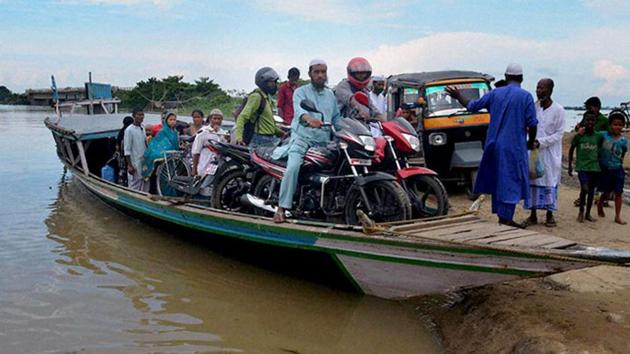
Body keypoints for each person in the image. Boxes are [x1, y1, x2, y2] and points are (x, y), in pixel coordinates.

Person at [446, 63, 538, 228]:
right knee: (511, 182)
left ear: (506, 76)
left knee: (499, 180)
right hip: (514, 147)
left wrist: (458, 95)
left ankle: (502, 217)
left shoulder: (495, 93)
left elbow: (472, 106)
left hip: (493, 146)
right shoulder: (526, 97)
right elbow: (533, 123)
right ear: (522, 78)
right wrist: (530, 143)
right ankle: (506, 219)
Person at [271, 59, 341, 223]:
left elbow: (337, 118)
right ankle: (281, 208)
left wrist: (351, 126)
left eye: (323, 72)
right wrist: (308, 118)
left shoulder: (330, 94)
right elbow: (300, 111)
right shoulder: (301, 92)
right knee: (293, 167)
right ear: (309, 74)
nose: (320, 75)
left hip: (324, 142)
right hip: (303, 138)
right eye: (316, 72)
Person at [524, 79, 565, 227]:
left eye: (541, 88)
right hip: (534, 153)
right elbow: (528, 126)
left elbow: (559, 134)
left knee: (550, 182)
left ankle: (549, 215)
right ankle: (533, 215)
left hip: (550, 154)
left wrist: (541, 142)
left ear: (550, 90)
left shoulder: (559, 110)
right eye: (537, 87)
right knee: (533, 180)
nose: (538, 91)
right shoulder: (533, 108)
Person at [235, 67, 285, 149]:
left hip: (269, 139)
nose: (274, 85)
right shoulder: (256, 97)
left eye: (275, 82)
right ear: (263, 82)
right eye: (272, 82)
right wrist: (239, 138)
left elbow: (267, 124)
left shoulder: (267, 98)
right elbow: (242, 117)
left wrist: (281, 133)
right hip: (260, 140)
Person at [568, 112, 604, 222]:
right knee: (585, 189)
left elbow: (601, 151)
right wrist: (570, 165)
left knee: (591, 191)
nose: (590, 123)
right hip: (582, 167)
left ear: (595, 122)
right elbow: (571, 150)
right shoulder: (579, 136)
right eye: (588, 120)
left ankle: (587, 213)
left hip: (595, 168)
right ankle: (581, 211)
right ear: (584, 122)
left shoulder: (598, 136)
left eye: (592, 120)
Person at [335, 57, 384, 137]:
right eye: (358, 74)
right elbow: (351, 99)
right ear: (350, 73)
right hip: (343, 131)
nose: (362, 77)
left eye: (364, 74)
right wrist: (361, 110)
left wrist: (387, 123)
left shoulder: (364, 91)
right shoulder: (343, 86)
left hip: (361, 131)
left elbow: (373, 109)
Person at [597, 111, 628, 225]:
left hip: (618, 169)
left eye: (620, 125)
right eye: (615, 124)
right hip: (605, 169)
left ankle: (617, 216)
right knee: (606, 192)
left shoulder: (624, 140)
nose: (617, 127)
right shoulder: (603, 135)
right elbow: (593, 136)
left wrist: (620, 162)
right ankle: (600, 202)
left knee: (618, 193)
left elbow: (623, 152)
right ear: (610, 125)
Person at [141, 112, 180, 180]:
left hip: (173, 156)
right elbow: (157, 143)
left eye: (174, 120)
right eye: (170, 120)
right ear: (166, 121)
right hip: (165, 154)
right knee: (165, 176)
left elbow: (176, 144)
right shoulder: (162, 131)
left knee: (173, 174)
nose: (173, 121)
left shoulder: (175, 132)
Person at [192, 109, 228, 177]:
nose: (217, 121)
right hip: (205, 162)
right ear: (210, 119)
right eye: (214, 118)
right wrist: (194, 169)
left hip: (217, 164)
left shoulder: (223, 133)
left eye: (219, 119)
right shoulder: (203, 132)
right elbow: (196, 151)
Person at [124, 109, 149, 192]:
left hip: (143, 162)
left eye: (142, 115)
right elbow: (127, 150)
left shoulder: (142, 128)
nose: (141, 117)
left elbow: (145, 143)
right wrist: (130, 165)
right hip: (134, 162)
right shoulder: (129, 130)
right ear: (134, 116)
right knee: (134, 186)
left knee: (145, 185)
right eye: (139, 114)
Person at [116, 116, 134, 186]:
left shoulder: (123, 131)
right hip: (125, 155)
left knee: (125, 170)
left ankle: (126, 182)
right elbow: (118, 145)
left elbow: (117, 145)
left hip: (126, 155)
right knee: (126, 169)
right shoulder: (124, 132)